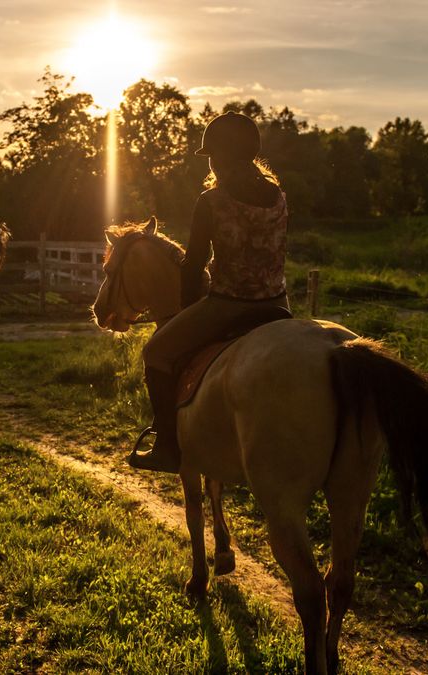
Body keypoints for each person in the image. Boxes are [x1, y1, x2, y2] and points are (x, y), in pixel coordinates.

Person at [131, 112, 290, 473]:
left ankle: (168, 446)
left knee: (155, 352)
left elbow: (193, 265)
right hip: (278, 306)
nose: (213, 162)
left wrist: (187, 309)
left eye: (213, 155)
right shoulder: (278, 196)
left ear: (224, 156)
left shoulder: (212, 201)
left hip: (228, 305)